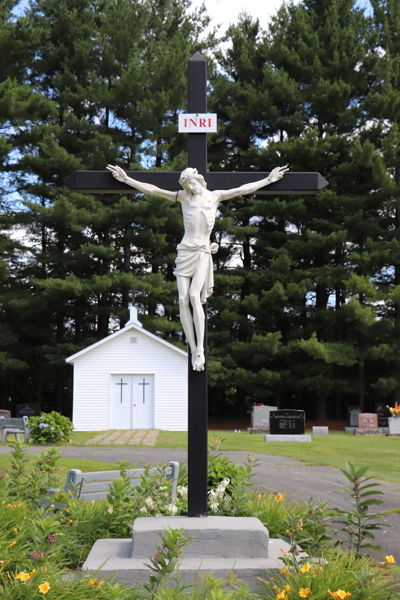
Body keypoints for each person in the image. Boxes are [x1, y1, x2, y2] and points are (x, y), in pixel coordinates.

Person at [106, 164, 288, 371]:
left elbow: (243, 189)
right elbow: (153, 190)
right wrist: (126, 179)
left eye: (191, 182)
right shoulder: (183, 197)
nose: (189, 187)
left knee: (194, 297)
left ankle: (200, 349)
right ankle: (192, 348)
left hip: (202, 251)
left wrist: (269, 179)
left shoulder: (215, 196)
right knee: (182, 299)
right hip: (185, 251)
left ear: (199, 179)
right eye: (185, 185)